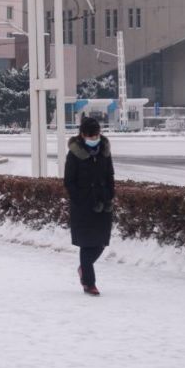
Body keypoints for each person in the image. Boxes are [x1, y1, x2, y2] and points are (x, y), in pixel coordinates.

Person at [64, 116, 115, 296]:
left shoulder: (104, 151)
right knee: (87, 245)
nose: (94, 140)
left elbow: (110, 175)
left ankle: (83, 270)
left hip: (103, 204)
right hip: (83, 206)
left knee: (100, 243)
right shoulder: (74, 153)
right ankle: (89, 283)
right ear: (83, 135)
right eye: (90, 137)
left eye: (96, 136)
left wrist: (110, 195)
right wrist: (80, 199)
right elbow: (69, 181)